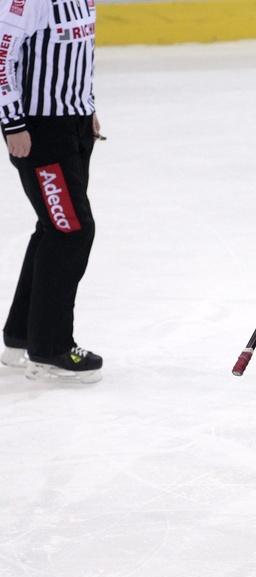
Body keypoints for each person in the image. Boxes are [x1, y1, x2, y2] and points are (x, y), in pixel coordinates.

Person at [1, 0, 103, 382]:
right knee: (71, 231)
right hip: (38, 131)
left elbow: (79, 53)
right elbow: (1, 58)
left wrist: (86, 107)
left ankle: (21, 335)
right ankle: (49, 348)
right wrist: (12, 124)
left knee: (54, 228)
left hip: (74, 124)